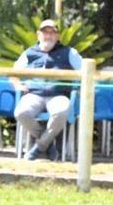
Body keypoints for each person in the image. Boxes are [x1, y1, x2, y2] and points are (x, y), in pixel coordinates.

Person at [11, 19, 83, 161]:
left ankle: (39, 147)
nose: (48, 36)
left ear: (57, 36)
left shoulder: (69, 53)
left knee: (62, 111)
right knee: (21, 113)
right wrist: (17, 85)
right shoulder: (29, 53)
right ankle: (48, 145)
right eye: (45, 32)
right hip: (33, 95)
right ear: (38, 35)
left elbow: (85, 71)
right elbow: (13, 73)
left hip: (58, 95)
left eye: (52, 33)